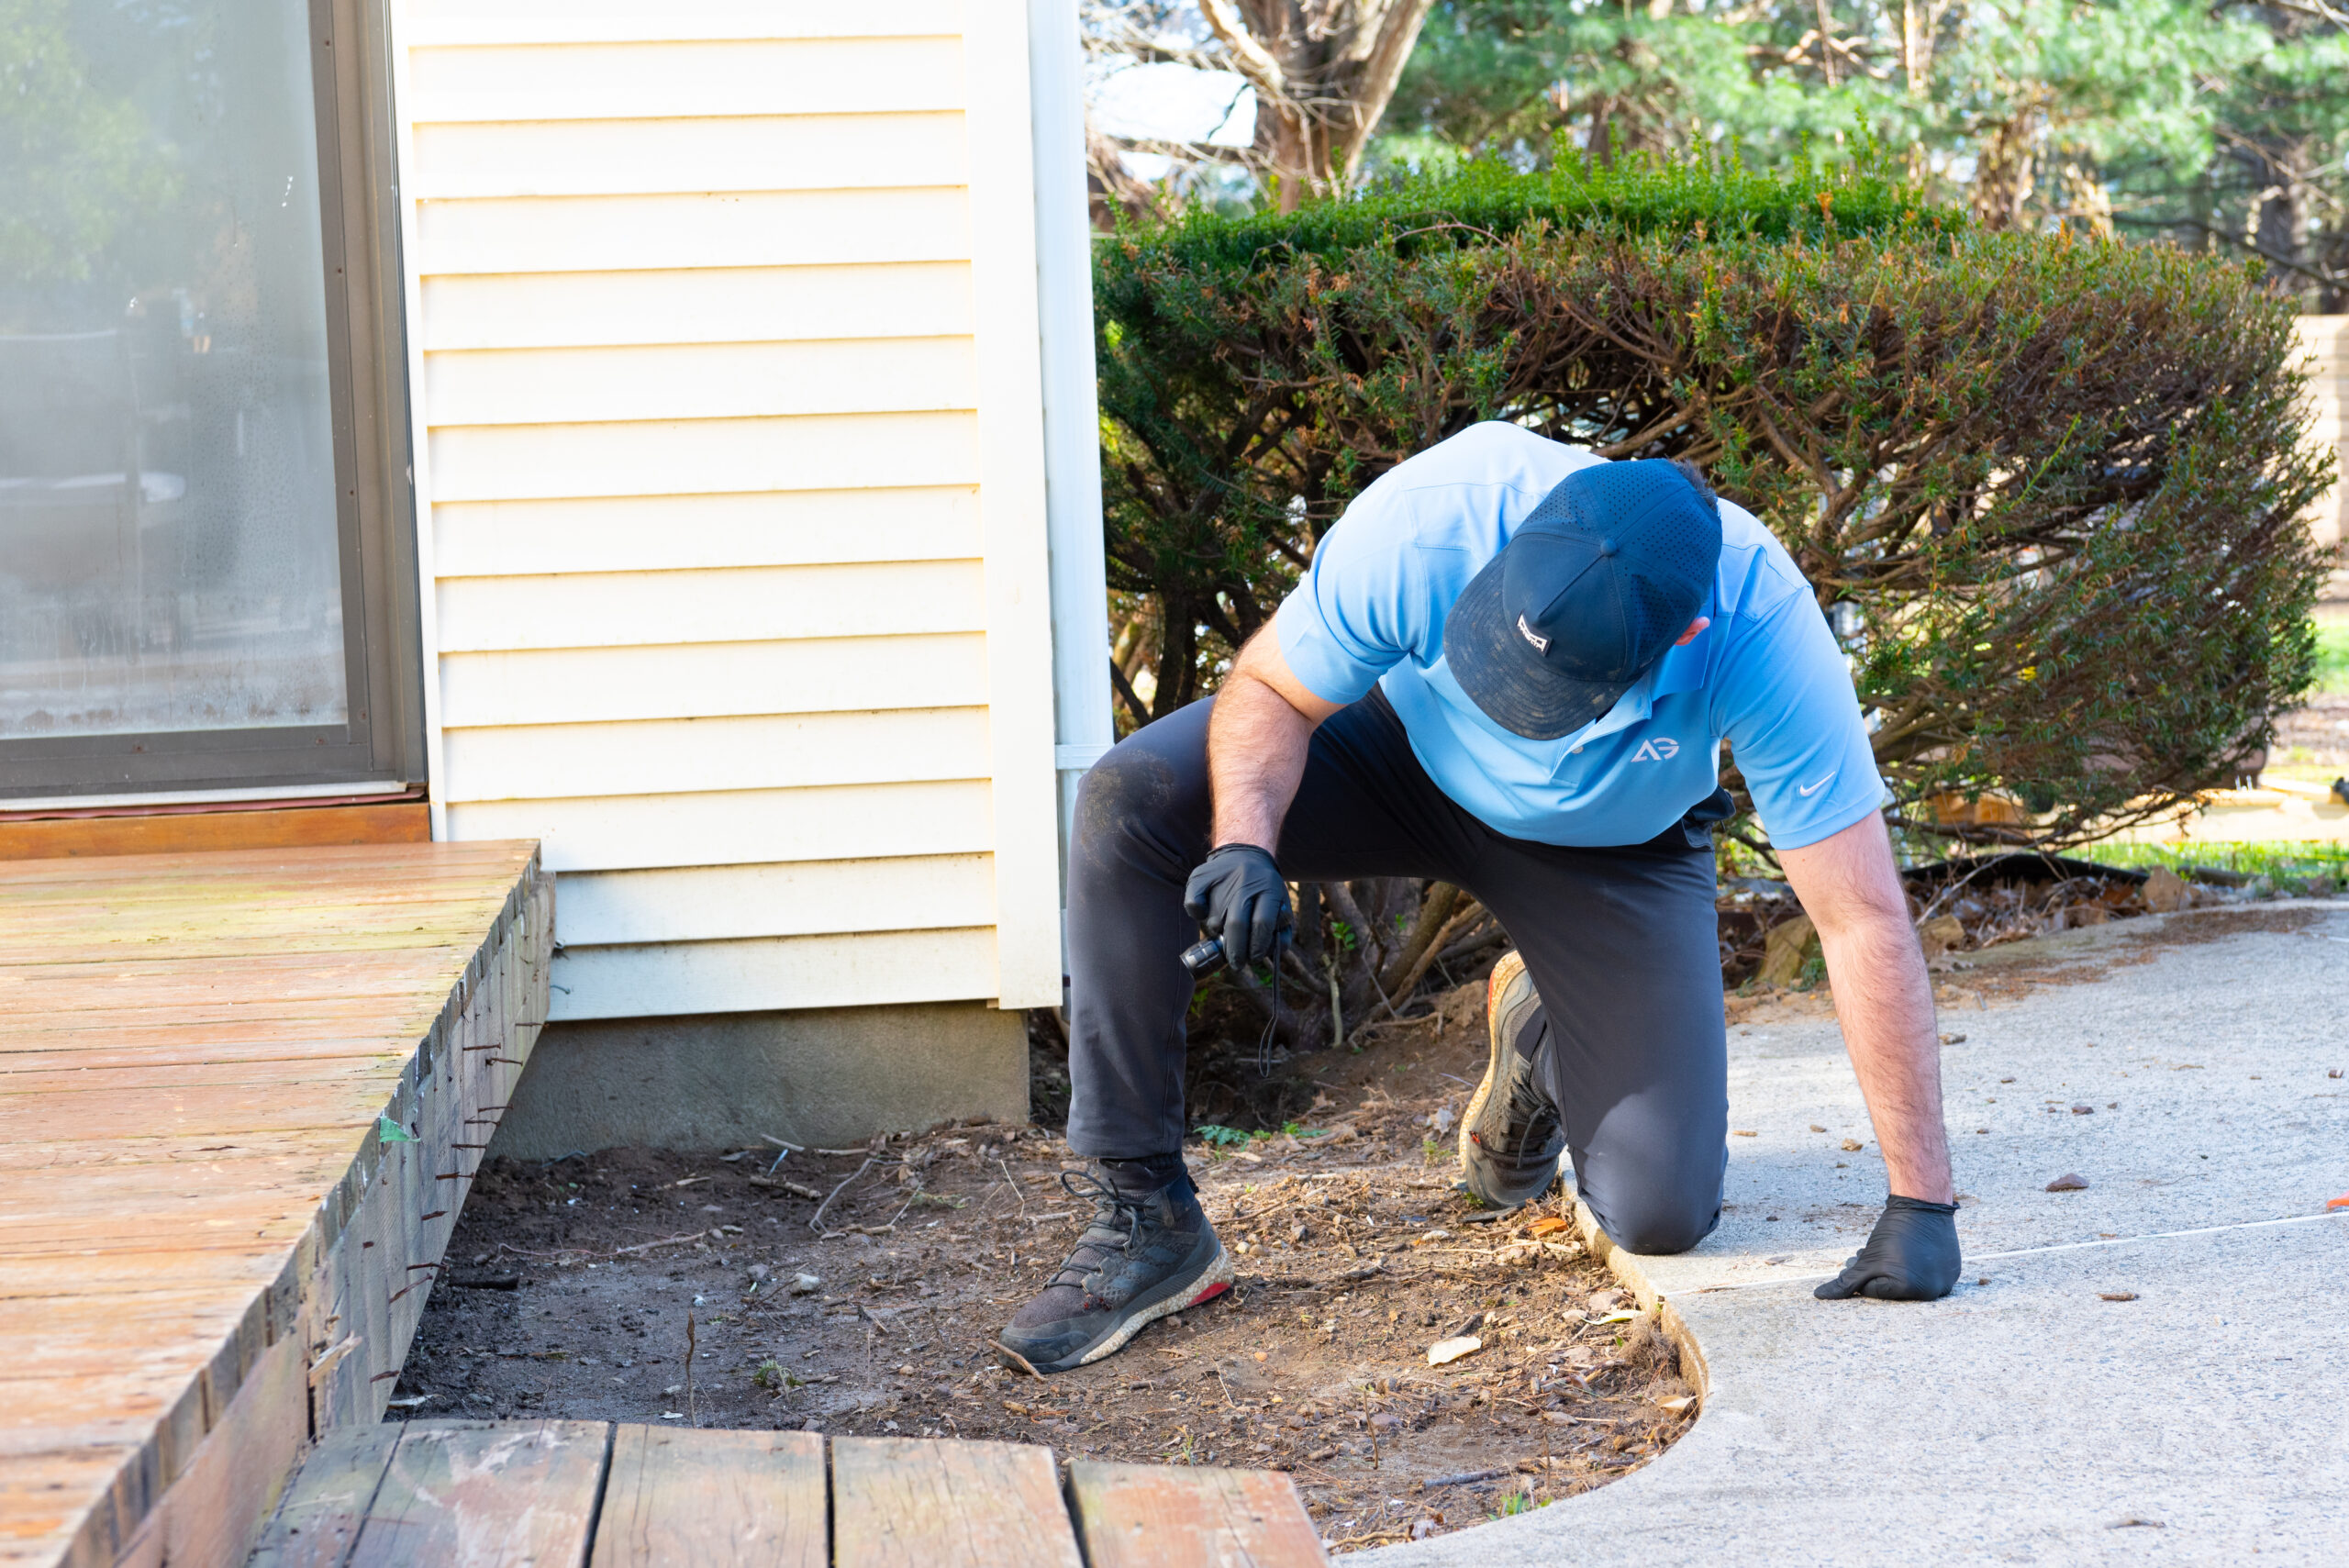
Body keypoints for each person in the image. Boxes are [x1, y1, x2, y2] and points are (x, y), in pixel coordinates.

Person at [998, 423, 1960, 1375]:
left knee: (1662, 1209)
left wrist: (1920, 1203)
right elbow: (1271, 689)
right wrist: (1246, 840)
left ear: (1686, 634)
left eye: (1548, 688)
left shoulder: (1761, 628)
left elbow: (1857, 915)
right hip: (1395, 753)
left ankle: (1539, 1037)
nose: (1516, 700)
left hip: (1609, 843)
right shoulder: (1432, 519)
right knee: (1131, 801)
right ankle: (1146, 1216)